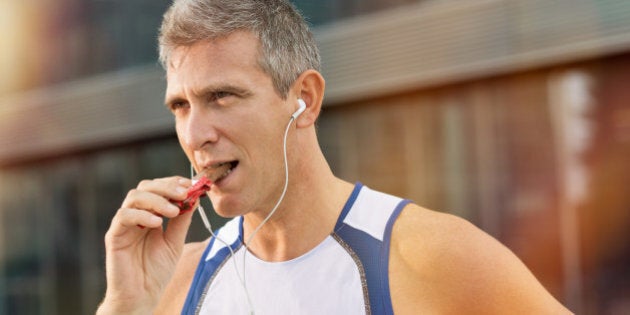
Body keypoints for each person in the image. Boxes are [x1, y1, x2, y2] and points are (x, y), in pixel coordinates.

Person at [96, 0, 572, 314]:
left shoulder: (433, 257)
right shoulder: (174, 281)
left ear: (304, 98)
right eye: (180, 106)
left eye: (221, 96)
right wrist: (124, 304)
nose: (195, 134)